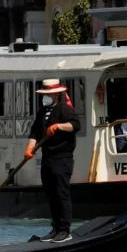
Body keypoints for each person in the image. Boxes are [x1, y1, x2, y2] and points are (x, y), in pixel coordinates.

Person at [25, 78, 80, 243]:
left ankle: (64, 230)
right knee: (51, 194)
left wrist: (58, 126)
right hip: (47, 158)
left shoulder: (65, 109)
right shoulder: (42, 112)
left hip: (62, 158)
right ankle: (55, 228)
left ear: (56, 94)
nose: (46, 97)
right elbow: (35, 132)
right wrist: (29, 148)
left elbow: (75, 125)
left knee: (61, 194)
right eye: (44, 94)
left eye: (48, 94)